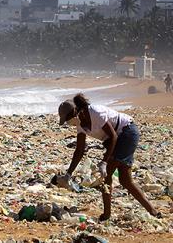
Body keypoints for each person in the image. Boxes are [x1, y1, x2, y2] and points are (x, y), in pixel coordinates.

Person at [58, 93, 161, 221]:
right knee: (125, 180)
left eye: (68, 119)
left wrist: (105, 162)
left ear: (74, 112)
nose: (69, 123)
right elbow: (79, 150)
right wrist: (68, 174)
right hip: (117, 141)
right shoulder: (80, 125)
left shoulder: (95, 112)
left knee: (106, 176)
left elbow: (113, 136)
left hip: (127, 133)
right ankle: (154, 212)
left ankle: (106, 215)